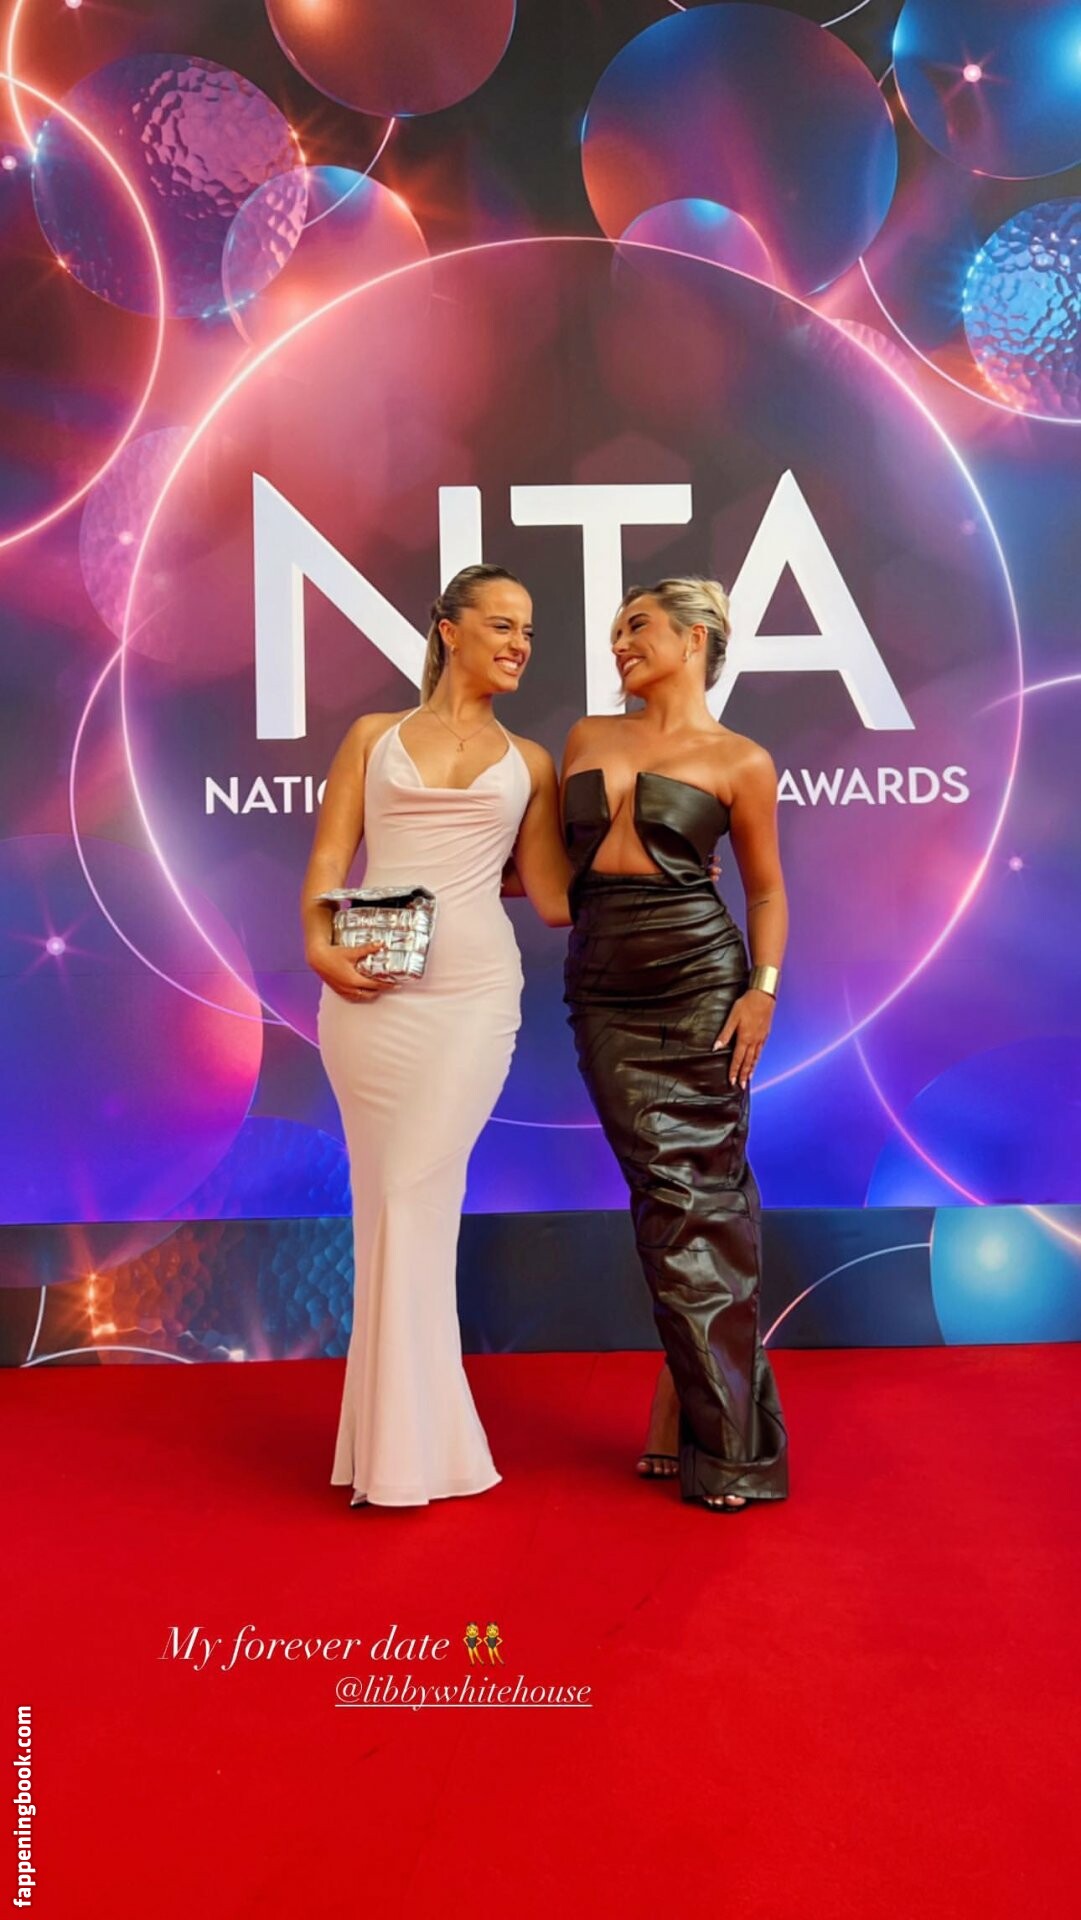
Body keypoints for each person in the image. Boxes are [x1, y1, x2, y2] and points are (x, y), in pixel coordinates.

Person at [302, 564, 569, 1509]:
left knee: (413, 1195)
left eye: (527, 631)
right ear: (449, 630)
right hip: (367, 1001)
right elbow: (330, 857)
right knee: (385, 1206)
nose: (519, 644)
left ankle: (405, 1452)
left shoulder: (529, 762)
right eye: (502, 625)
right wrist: (318, 945)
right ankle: (408, 1446)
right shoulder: (372, 737)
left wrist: (656, 853)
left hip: (471, 1000)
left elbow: (552, 897)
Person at [560, 576, 789, 1513]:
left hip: (700, 985)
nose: (619, 642)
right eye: (616, 630)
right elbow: (548, 875)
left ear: (695, 639)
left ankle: (728, 1447)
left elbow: (765, 890)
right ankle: (698, 1410)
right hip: (602, 990)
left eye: (638, 627)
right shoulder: (586, 736)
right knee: (675, 1198)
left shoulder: (740, 760)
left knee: (697, 1201)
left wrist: (760, 993)